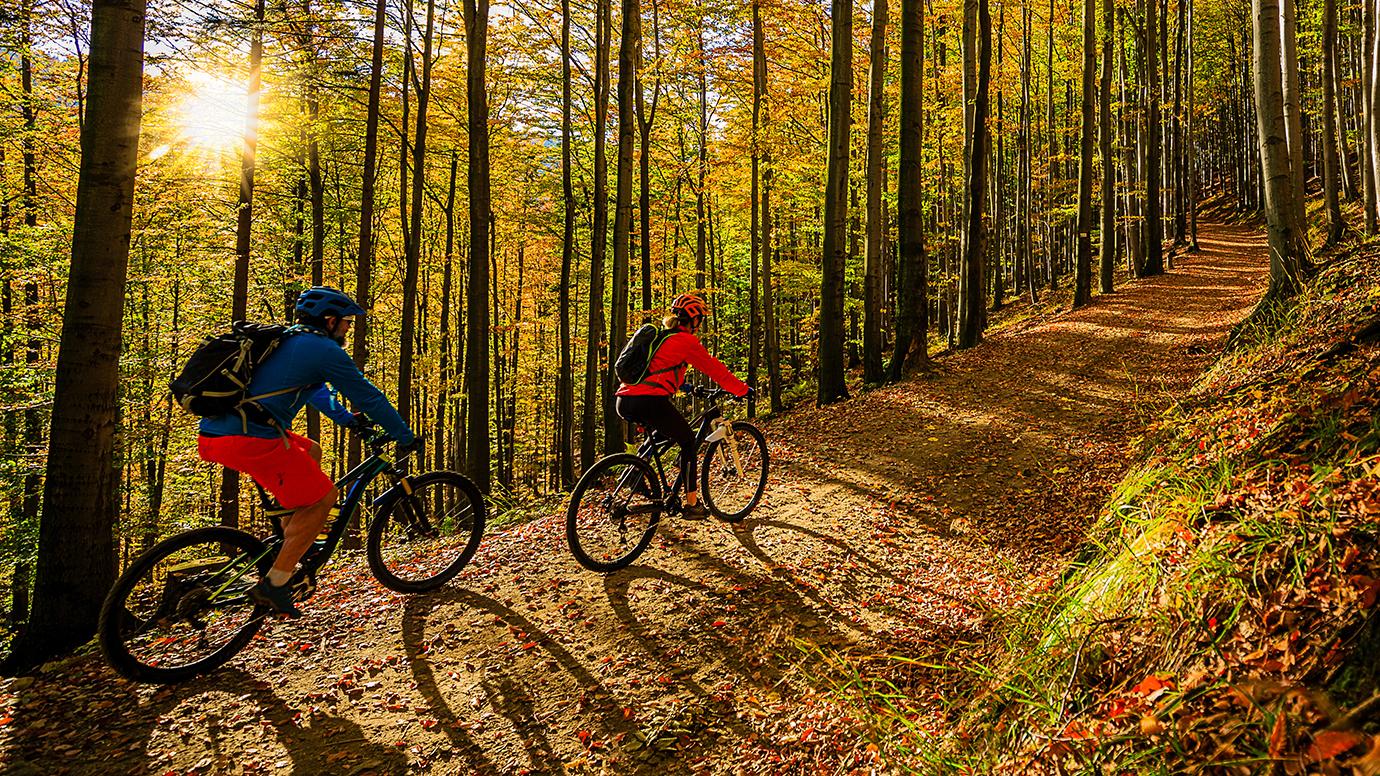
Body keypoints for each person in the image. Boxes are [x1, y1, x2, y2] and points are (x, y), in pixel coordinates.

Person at [198, 286, 417, 617]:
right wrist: (403, 434)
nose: (347, 328)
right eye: (345, 322)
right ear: (328, 321)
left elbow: (316, 393)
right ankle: (276, 583)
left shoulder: (287, 340)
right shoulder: (323, 350)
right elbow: (369, 396)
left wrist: (347, 420)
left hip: (220, 433)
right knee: (324, 498)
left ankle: (292, 539)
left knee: (310, 450)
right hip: (250, 438)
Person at [615, 293, 751, 518]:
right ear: (694, 319)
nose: (701, 324)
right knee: (688, 440)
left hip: (625, 399)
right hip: (648, 401)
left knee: (662, 435)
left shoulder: (663, 338)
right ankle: (692, 505)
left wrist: (688, 388)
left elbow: (659, 374)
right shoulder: (685, 341)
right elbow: (714, 368)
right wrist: (742, 390)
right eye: (701, 319)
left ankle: (635, 473)